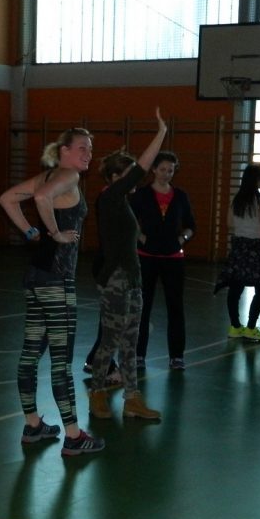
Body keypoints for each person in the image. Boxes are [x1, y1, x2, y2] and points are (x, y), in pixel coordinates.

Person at [0, 127, 105, 456]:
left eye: (90, 149)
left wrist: (30, 230)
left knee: (30, 354)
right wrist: (55, 233)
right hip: (56, 281)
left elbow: (7, 199)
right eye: (82, 148)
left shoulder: (47, 176)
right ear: (64, 151)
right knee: (61, 361)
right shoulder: (68, 176)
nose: (88, 154)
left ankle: (32, 425)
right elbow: (42, 199)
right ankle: (73, 436)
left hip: (36, 276)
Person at [88, 109, 168, 420]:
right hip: (115, 279)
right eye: (126, 174)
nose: (133, 178)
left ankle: (132, 399)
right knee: (110, 339)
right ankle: (97, 393)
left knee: (131, 342)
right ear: (113, 179)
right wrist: (161, 133)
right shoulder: (109, 198)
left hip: (132, 278)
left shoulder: (123, 203)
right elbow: (142, 169)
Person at [131, 150, 197, 369]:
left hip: (173, 259)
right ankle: (138, 355)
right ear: (153, 170)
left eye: (170, 170)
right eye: (162, 169)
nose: (167, 174)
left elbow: (191, 225)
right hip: (146, 258)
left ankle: (177, 356)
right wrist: (141, 237)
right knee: (143, 307)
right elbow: (129, 220)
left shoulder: (180, 196)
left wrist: (182, 239)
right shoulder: (141, 194)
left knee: (175, 307)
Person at [215, 164, 260, 342]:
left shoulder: (237, 199)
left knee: (235, 287)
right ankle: (251, 327)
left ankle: (235, 326)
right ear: (256, 180)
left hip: (239, 246)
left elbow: (229, 223)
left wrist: (243, 226)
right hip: (256, 247)